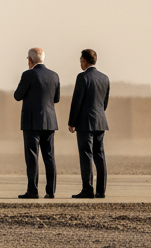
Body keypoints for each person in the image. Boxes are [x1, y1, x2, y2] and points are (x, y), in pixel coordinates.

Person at [13, 47, 60, 198]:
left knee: (32, 157)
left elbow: (17, 95)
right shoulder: (54, 75)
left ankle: (33, 190)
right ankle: (51, 191)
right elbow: (56, 99)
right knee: (49, 156)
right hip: (49, 121)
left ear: (30, 60)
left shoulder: (29, 74)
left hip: (32, 122)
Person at [68, 48, 110, 198]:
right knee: (100, 155)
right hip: (100, 122)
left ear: (84, 61)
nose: (80, 63)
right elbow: (104, 103)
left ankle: (87, 189)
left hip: (85, 123)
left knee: (86, 156)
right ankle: (101, 191)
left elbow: (77, 101)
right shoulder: (104, 78)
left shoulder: (82, 77)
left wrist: (72, 122)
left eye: (81, 60)